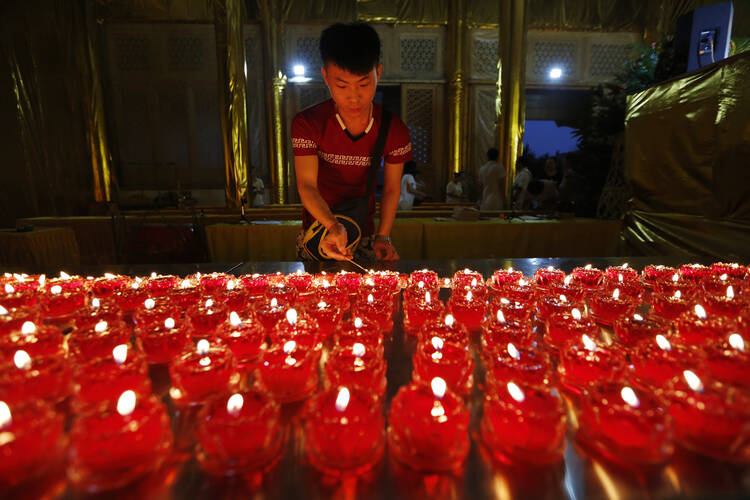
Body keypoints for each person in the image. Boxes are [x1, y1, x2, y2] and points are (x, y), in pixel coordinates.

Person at [291, 23, 412, 261]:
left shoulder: (394, 130)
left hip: (363, 232)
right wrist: (333, 226)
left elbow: (391, 189)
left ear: (379, 72)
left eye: (364, 84)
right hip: (318, 232)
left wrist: (383, 236)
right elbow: (307, 186)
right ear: (325, 76)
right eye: (342, 85)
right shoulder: (308, 124)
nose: (354, 96)